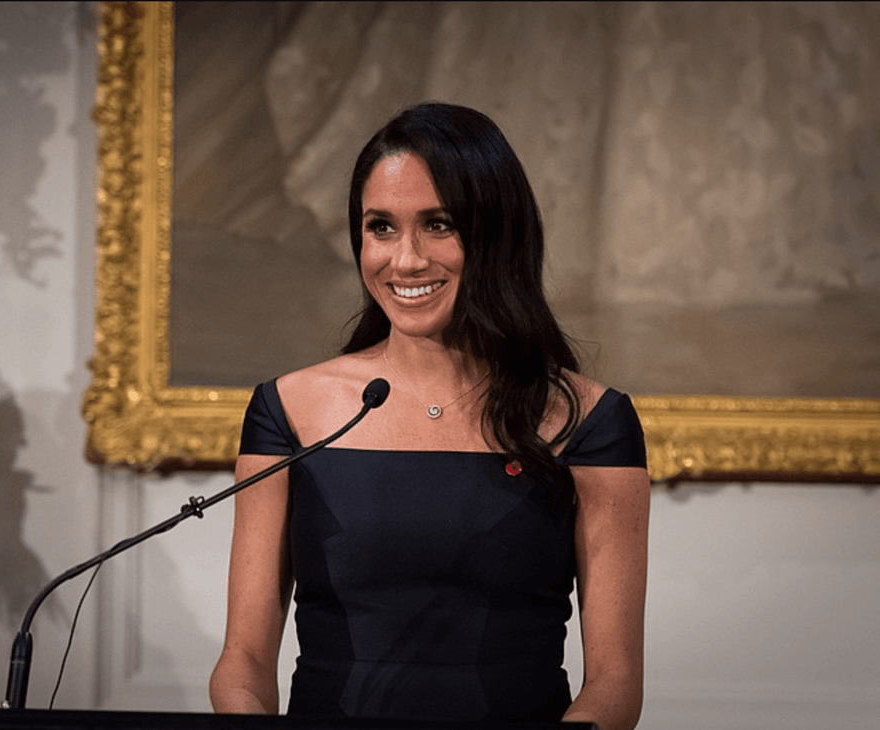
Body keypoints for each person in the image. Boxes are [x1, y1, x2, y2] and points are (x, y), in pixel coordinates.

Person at [209, 102, 650, 730]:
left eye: (438, 224)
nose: (406, 259)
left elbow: (615, 685)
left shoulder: (591, 421)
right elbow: (244, 660)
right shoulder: (290, 411)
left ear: (497, 234)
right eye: (381, 227)